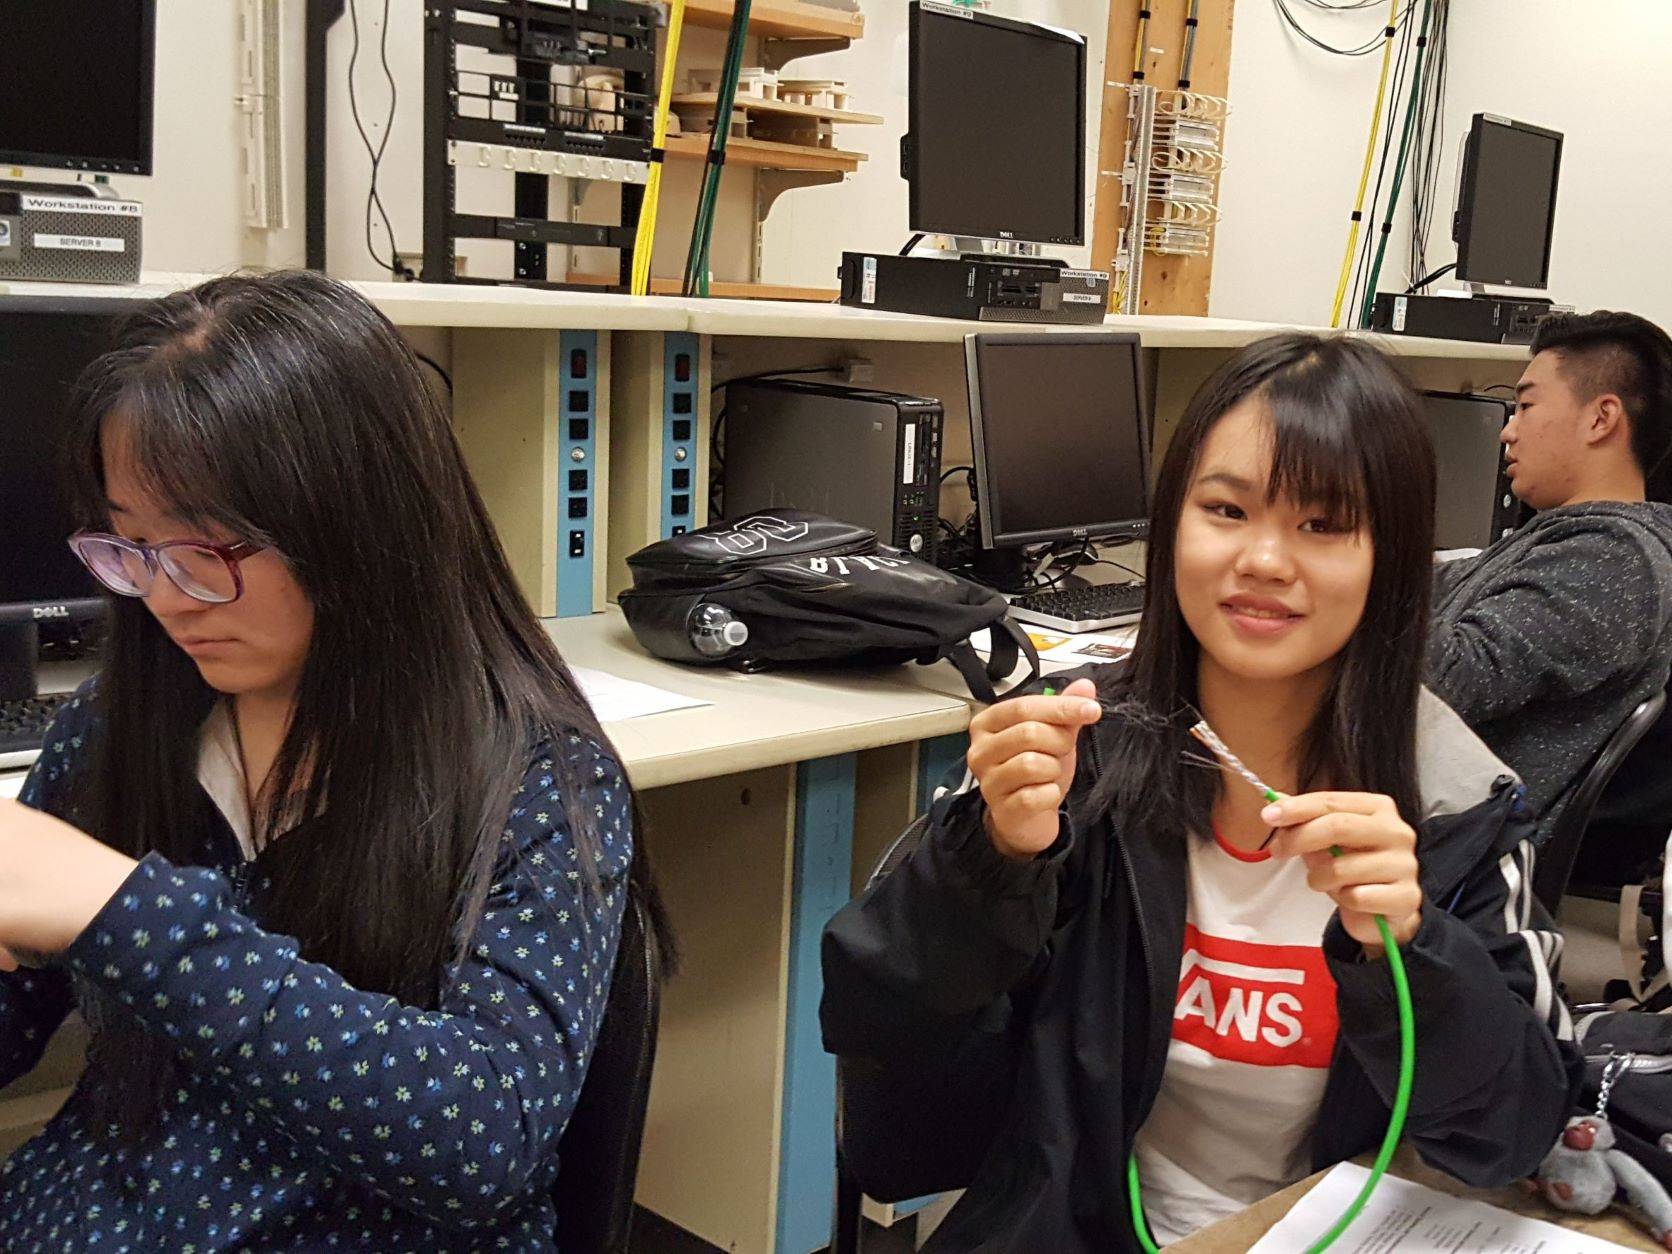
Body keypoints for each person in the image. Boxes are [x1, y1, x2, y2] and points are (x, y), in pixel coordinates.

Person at [821, 335, 1580, 1251]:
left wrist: (1413, 951)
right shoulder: (1077, 754)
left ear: (1392, 557)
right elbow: (882, 1053)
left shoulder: (1458, 804)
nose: (1263, 559)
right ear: (1172, 522)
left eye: (1323, 525)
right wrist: (993, 859)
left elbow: (1510, 1136)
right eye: (1227, 509)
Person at [0, 271, 670, 1250]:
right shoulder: (122, 723)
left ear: (355, 527)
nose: (170, 598)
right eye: (132, 546)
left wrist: (126, 912)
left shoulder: (534, 779)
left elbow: (483, 1142)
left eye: (211, 547)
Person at [1428, 311, 1672, 855]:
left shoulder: (1614, 558)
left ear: (1600, 419)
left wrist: (1351, 580)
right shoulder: (1569, 538)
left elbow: (1451, 678)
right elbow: (1451, 581)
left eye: (1526, 406)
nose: (1508, 430)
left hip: (1450, 856)